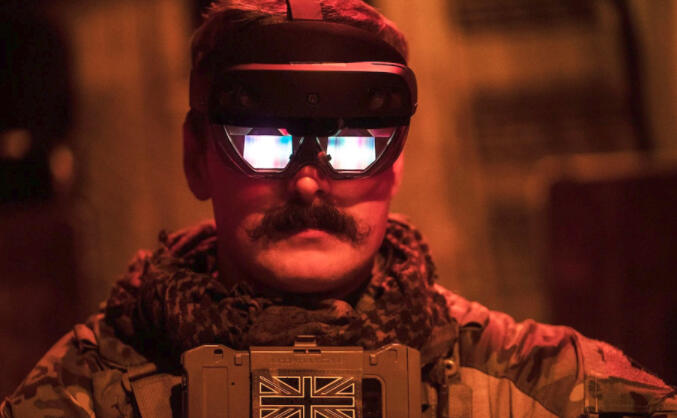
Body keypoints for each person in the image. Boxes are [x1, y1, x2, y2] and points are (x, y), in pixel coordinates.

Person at [2, 0, 676, 417]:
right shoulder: (85, 393)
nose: (307, 184)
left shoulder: (536, 384)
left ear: (396, 163)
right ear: (196, 156)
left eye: (352, 145)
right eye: (264, 143)